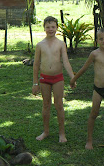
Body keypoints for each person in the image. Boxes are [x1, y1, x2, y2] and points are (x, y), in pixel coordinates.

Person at [70, 27, 104, 149]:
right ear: (97, 40)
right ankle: (89, 140)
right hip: (98, 90)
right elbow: (84, 68)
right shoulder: (94, 54)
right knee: (94, 114)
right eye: (101, 39)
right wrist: (73, 79)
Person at [32, 15, 75, 143]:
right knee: (46, 105)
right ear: (44, 28)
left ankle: (62, 133)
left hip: (58, 78)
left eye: (53, 27)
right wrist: (35, 83)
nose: (50, 29)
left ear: (57, 28)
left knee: (59, 104)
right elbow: (36, 64)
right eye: (48, 27)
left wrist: (72, 77)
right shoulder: (40, 45)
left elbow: (66, 62)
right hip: (44, 78)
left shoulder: (61, 44)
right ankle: (46, 131)